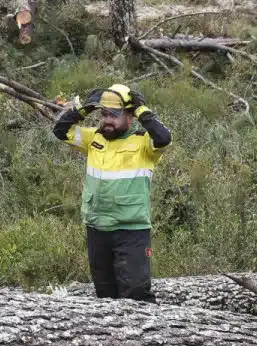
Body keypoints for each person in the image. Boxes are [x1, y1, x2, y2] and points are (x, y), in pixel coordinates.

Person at [51, 83, 172, 301]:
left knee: (136, 295)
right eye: (104, 114)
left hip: (131, 230)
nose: (107, 120)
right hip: (98, 228)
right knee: (105, 296)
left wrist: (142, 110)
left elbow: (163, 137)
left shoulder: (144, 142)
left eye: (114, 115)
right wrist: (83, 109)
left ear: (130, 116)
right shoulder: (94, 138)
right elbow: (61, 131)